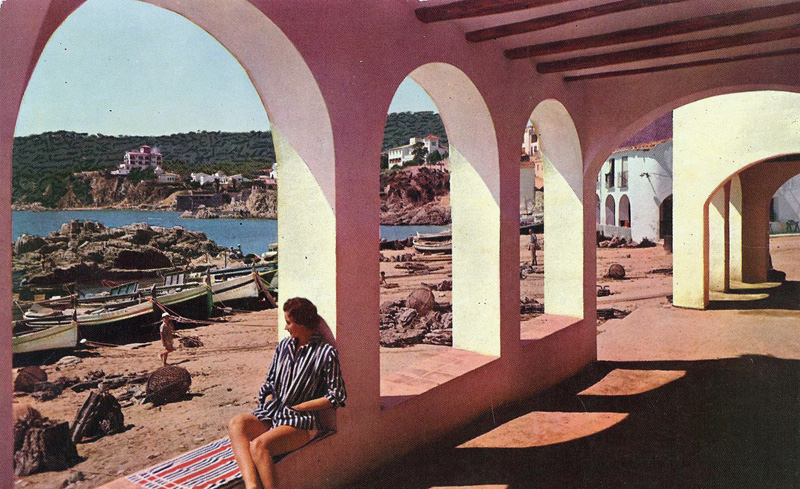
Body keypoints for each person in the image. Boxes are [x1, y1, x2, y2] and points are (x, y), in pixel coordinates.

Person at [228, 298, 347, 489]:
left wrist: (302, 406)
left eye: (289, 322)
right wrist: (268, 399)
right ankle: (252, 486)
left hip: (301, 422)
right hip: (274, 414)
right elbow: (269, 381)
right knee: (236, 424)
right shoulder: (284, 346)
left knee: (259, 446)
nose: (285, 327)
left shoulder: (325, 353)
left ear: (302, 323)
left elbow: (337, 395)